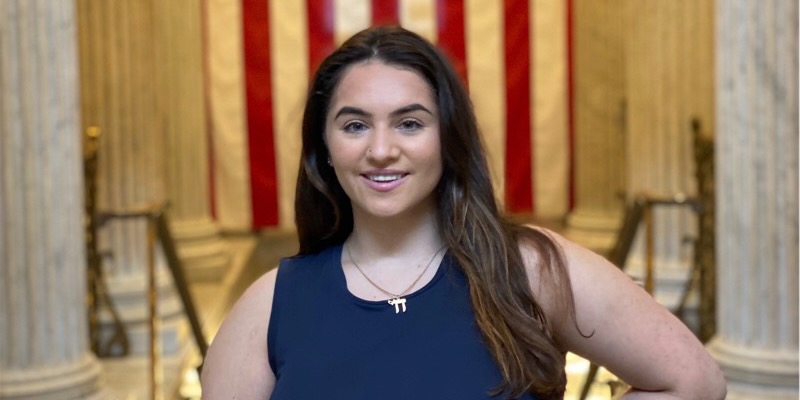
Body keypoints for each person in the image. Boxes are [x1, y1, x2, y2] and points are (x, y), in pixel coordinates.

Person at [200, 26, 726, 400]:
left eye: (409, 123)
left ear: (447, 138)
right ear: (325, 146)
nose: (381, 149)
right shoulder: (269, 307)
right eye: (355, 125)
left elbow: (693, 382)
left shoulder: (529, 268)